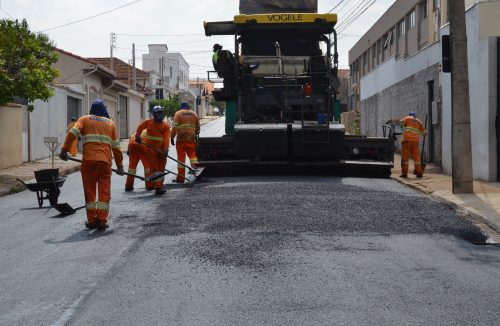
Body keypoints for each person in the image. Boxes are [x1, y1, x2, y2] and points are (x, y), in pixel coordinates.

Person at [60, 100, 124, 230]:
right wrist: (120, 166)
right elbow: (116, 147)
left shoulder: (84, 119)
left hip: (88, 162)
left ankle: (91, 220)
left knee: (90, 192)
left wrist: (64, 150)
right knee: (104, 192)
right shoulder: (111, 123)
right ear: (104, 110)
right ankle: (102, 220)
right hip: (105, 163)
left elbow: (73, 133)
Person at [134, 106, 170, 195]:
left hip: (161, 151)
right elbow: (139, 128)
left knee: (161, 169)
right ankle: (158, 187)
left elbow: (166, 139)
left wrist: (165, 150)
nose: (160, 115)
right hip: (151, 150)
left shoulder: (165, 126)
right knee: (155, 169)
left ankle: (159, 185)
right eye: (158, 113)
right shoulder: (148, 122)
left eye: (161, 113)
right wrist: (137, 135)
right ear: (154, 114)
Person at [171, 102, 200, 183]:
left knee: (181, 160)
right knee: (193, 157)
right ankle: (197, 174)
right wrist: (195, 133)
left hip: (181, 139)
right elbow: (198, 127)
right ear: (188, 107)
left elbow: (174, 126)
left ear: (181, 107)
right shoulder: (194, 114)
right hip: (191, 139)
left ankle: (180, 178)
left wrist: (172, 136)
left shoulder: (178, 114)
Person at [400, 111, 427, 179]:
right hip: (415, 142)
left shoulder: (407, 118)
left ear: (409, 115)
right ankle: (419, 172)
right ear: (415, 116)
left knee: (405, 159)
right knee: (417, 158)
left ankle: (404, 174)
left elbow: (400, 123)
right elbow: (424, 133)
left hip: (407, 141)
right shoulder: (419, 122)